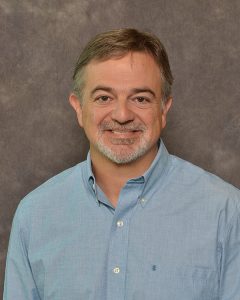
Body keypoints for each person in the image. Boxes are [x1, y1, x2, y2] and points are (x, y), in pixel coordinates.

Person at [3, 28, 240, 300]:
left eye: (140, 98)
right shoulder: (35, 215)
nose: (122, 115)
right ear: (79, 108)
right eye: (104, 97)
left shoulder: (227, 213)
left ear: (163, 110)